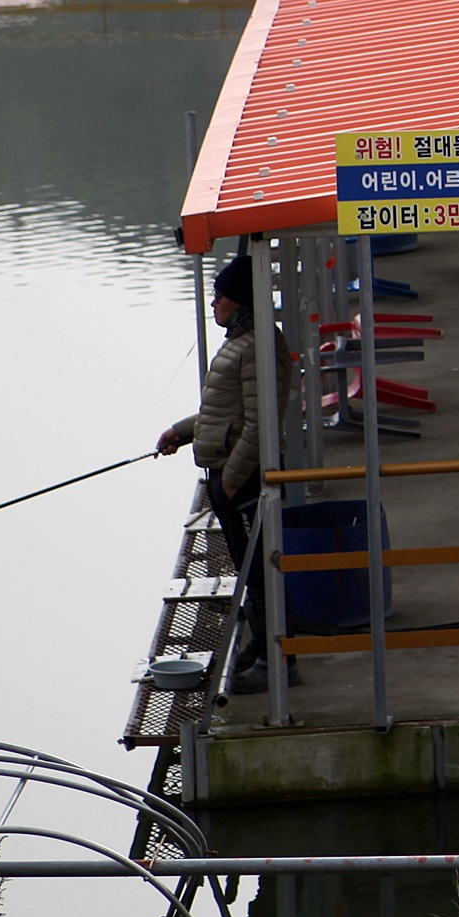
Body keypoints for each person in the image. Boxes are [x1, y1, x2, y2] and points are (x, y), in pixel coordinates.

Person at [157, 252, 283, 683]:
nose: (213, 303)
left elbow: (258, 423)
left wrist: (231, 480)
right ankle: (262, 647)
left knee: (259, 568)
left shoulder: (256, 347)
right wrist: (181, 432)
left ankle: (273, 662)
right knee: (251, 568)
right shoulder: (241, 342)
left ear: (240, 301)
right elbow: (222, 415)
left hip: (241, 479)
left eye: (220, 296)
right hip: (229, 476)